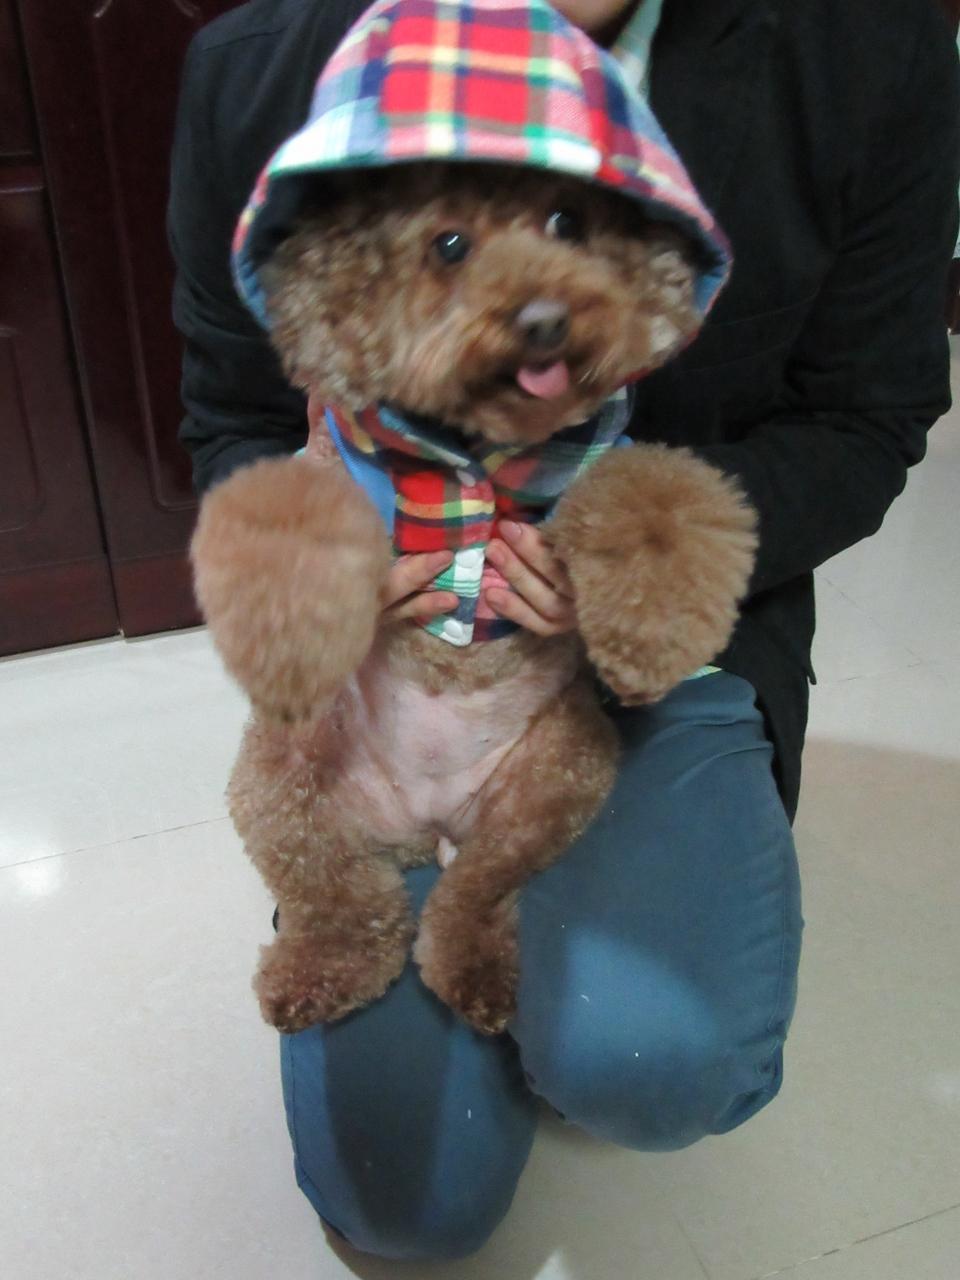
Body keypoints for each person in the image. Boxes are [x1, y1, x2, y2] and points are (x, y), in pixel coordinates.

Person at [169, 0, 960, 1261]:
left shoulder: (863, 46)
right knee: (400, 1203)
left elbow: (867, 417)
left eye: (565, 227)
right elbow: (230, 422)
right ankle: (364, 912)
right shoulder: (258, 67)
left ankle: (509, 921)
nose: (533, 301)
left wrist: (621, 558)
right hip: (373, 695)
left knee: (654, 1059)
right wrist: (326, 571)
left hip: (606, 681)